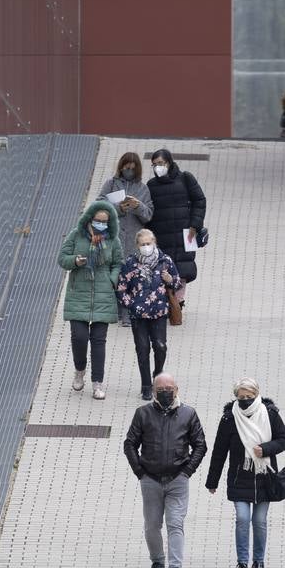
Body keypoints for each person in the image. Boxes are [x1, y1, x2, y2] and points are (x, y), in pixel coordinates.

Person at [123, 372, 207, 568]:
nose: (166, 393)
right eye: (161, 390)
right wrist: (139, 471)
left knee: (175, 523)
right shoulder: (143, 414)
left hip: (178, 478)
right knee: (152, 525)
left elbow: (200, 445)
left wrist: (188, 470)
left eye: (169, 389)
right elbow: (130, 443)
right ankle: (158, 561)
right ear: (154, 391)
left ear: (177, 390)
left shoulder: (188, 414)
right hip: (150, 479)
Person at [205, 378, 285, 568]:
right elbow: (219, 451)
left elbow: (283, 439)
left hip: (264, 478)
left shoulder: (269, 414)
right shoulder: (229, 419)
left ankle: (258, 562)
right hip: (239, 478)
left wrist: (265, 449)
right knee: (243, 519)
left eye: (249, 397)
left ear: (256, 395)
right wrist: (212, 481)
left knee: (259, 521)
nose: (244, 401)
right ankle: (242, 563)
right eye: (241, 397)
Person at [58, 200, 123, 400]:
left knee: (98, 340)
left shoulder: (113, 240)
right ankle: (79, 370)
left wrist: (112, 280)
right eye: (97, 220)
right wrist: (75, 261)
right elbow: (62, 258)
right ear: (90, 218)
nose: (101, 224)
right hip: (79, 292)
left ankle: (97, 382)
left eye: (105, 221)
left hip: (103, 294)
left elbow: (118, 263)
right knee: (79, 337)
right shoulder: (76, 235)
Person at [116, 229, 182, 400]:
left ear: (154, 243)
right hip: (139, 316)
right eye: (143, 244)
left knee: (160, 346)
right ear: (137, 245)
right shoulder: (131, 263)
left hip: (159, 312)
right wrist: (131, 305)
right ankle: (146, 385)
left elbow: (176, 282)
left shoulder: (165, 260)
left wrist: (170, 280)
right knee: (142, 349)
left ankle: (157, 375)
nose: (146, 247)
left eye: (149, 243)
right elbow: (121, 289)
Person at [147, 148, 206, 319]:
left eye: (161, 163)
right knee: (163, 270)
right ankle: (166, 302)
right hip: (161, 234)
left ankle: (177, 304)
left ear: (169, 162)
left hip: (185, 234)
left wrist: (195, 224)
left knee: (183, 270)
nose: (158, 167)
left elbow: (199, 200)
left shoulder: (185, 178)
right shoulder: (151, 185)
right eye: (154, 164)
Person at [98, 152, 154, 326]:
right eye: (126, 167)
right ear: (121, 167)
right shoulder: (111, 184)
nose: (129, 170)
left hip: (133, 239)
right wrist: (119, 207)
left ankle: (128, 312)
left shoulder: (143, 188)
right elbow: (98, 206)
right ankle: (114, 310)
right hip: (114, 237)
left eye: (132, 168)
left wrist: (138, 206)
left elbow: (148, 215)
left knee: (131, 276)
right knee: (114, 275)